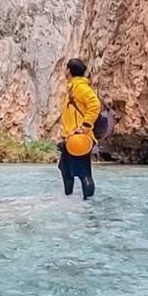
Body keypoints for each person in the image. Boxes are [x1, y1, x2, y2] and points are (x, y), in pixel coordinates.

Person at [58, 58, 101, 200]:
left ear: (69, 70)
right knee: (65, 170)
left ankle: (89, 205)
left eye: (66, 68)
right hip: (70, 138)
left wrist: (85, 127)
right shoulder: (72, 87)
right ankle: (69, 199)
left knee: (84, 173)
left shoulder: (80, 88)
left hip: (79, 139)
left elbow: (95, 105)